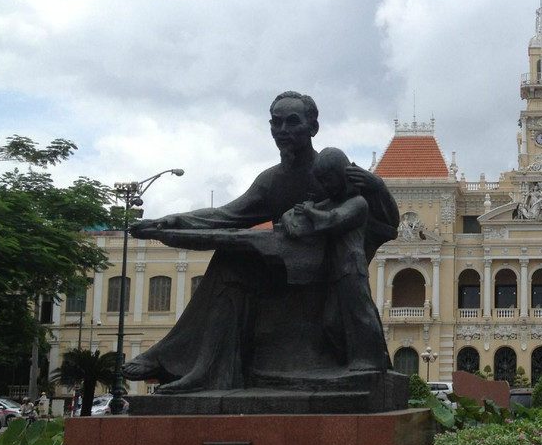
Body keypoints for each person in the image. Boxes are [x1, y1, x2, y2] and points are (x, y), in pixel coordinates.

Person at [124, 91, 399, 394]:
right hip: (282, 270)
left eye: (292, 122)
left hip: (328, 276)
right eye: (276, 123)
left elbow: (386, 220)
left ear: (313, 127)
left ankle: (176, 360)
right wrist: (171, 221)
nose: (283, 130)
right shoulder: (271, 180)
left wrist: (377, 186)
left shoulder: (332, 169)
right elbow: (226, 215)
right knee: (230, 262)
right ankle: (203, 370)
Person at [281, 147, 391, 371]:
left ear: (342, 175)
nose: (325, 185)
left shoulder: (358, 203)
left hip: (352, 267)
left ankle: (371, 360)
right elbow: (295, 211)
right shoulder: (332, 202)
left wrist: (310, 212)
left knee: (360, 314)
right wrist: (288, 218)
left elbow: (332, 220)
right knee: (331, 322)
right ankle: (345, 360)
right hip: (335, 269)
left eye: (328, 179)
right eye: (321, 180)